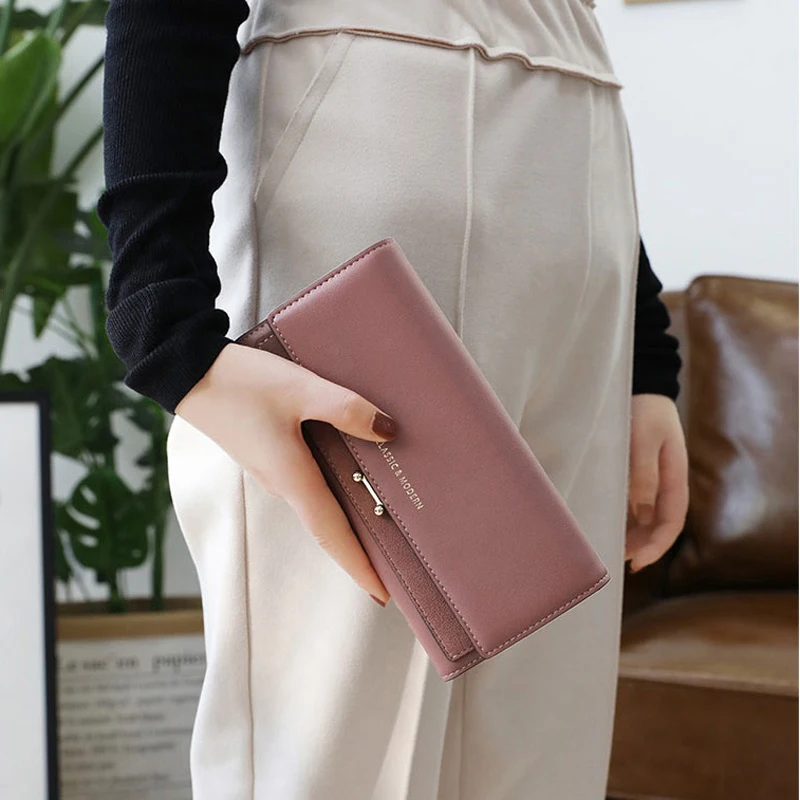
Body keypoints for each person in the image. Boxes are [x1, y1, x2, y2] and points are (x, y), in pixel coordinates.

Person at [97, 0, 690, 797]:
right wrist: (163, 324)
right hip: (372, 138)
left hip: (580, 152)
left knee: (545, 762)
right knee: (338, 760)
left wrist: (645, 352)